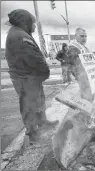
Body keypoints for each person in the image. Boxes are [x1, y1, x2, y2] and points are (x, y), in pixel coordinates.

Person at [5, 9, 59, 143]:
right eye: (33, 24)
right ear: (25, 23)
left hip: (30, 77)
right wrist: (45, 71)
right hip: (25, 78)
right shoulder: (19, 36)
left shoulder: (20, 33)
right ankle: (33, 133)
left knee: (38, 101)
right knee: (29, 104)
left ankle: (42, 123)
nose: (35, 26)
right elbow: (34, 58)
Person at [67, 28, 95, 102]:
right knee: (87, 98)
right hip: (83, 77)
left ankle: (89, 110)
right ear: (75, 36)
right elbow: (71, 64)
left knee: (91, 96)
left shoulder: (83, 47)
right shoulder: (73, 47)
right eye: (82, 36)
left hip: (88, 76)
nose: (84, 38)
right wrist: (79, 77)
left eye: (85, 36)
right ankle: (86, 112)